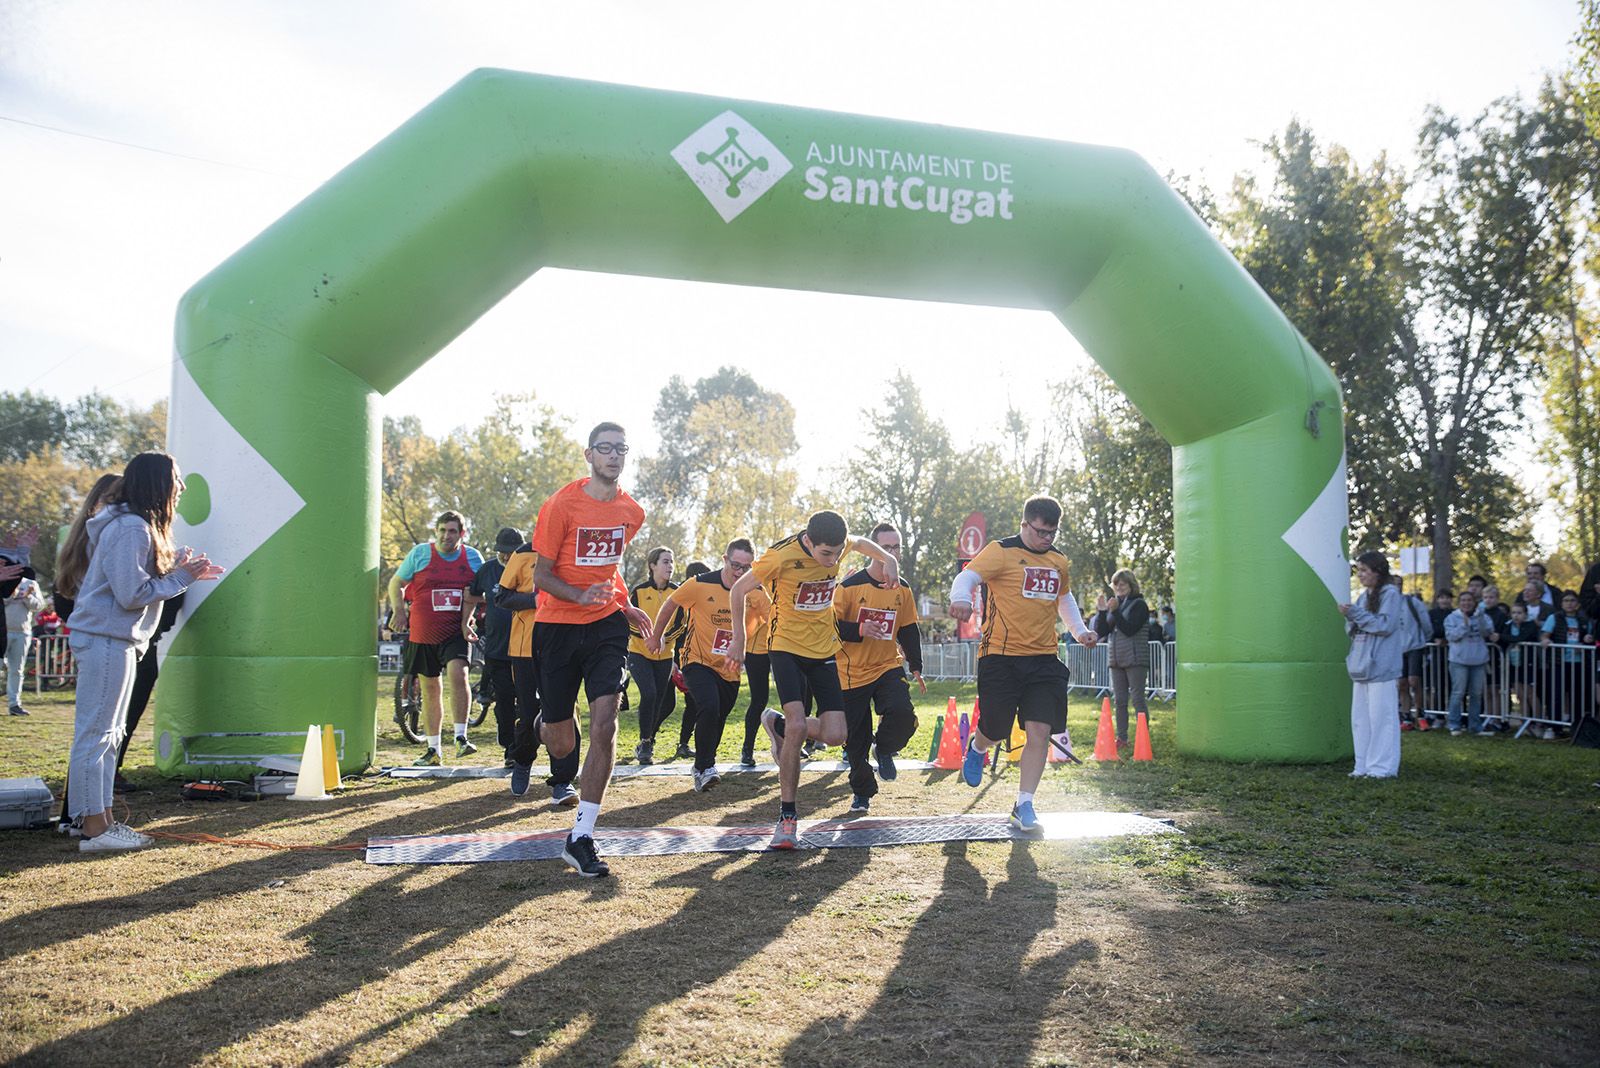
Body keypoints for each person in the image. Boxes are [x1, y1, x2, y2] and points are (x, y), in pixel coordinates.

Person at [65, 453, 223, 851]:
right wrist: (183, 578)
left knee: (109, 735)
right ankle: (92, 829)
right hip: (105, 638)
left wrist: (176, 572)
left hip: (115, 638)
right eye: (177, 479)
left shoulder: (132, 526)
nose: (182, 487)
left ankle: (101, 821)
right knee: (97, 735)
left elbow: (131, 586)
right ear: (159, 484)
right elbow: (131, 593)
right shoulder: (131, 528)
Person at [725, 510, 900, 849]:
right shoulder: (780, 557)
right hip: (786, 647)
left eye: (836, 554)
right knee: (798, 727)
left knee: (837, 735)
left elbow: (862, 543)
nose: (832, 561)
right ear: (808, 541)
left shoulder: (839, 545)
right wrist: (739, 640)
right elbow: (738, 591)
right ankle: (787, 818)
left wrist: (888, 557)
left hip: (823, 650)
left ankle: (776, 724)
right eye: (825, 554)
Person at [531, 422, 654, 878]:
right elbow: (540, 577)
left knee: (606, 723)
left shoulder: (631, 511)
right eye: (605, 449)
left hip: (604, 627)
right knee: (562, 741)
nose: (614, 456)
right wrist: (576, 596)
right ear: (589, 455)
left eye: (621, 448)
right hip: (557, 627)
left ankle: (581, 835)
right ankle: (548, 721)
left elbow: (610, 567)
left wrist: (622, 605)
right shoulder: (562, 505)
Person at [948, 495, 1097, 833]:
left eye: (1052, 533)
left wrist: (1080, 630)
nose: (1046, 539)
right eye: (1040, 532)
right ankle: (978, 746)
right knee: (998, 728)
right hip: (1000, 656)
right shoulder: (1002, 551)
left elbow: (1064, 597)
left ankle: (1024, 804)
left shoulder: (1059, 561)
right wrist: (960, 600)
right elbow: (968, 578)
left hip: (1044, 658)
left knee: (1040, 731)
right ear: (1025, 524)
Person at [647, 538, 770, 792]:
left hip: (730, 667)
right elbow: (671, 604)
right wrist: (657, 634)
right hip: (697, 660)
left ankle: (704, 764)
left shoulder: (756, 591)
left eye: (746, 568)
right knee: (709, 706)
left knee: (720, 715)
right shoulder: (700, 584)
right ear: (725, 559)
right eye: (735, 565)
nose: (740, 572)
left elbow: (774, 618)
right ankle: (705, 766)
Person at [832, 522, 925, 814]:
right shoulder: (848, 587)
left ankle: (884, 747)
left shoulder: (903, 589)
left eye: (896, 547)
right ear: (873, 550)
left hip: (887, 665)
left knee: (902, 713)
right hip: (851, 671)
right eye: (886, 548)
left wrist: (917, 666)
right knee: (855, 742)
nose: (892, 553)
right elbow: (829, 627)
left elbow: (908, 629)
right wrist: (860, 628)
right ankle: (862, 793)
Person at [387, 511, 484, 765]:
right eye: (442, 530)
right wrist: (399, 610)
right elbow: (396, 582)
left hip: (456, 631)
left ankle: (461, 737)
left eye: (452, 531)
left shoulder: (472, 558)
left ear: (462, 534)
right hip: (423, 632)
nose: (446, 536)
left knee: (459, 675)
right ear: (436, 532)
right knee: (430, 689)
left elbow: (485, 592)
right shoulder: (420, 554)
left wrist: (471, 611)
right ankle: (433, 750)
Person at [493, 532, 580, 806]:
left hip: (562, 647)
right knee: (529, 713)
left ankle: (562, 781)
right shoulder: (521, 554)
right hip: (524, 649)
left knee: (564, 714)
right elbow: (502, 598)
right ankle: (523, 759)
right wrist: (536, 601)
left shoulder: (572, 556)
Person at [1339, 552, 1405, 778]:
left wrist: (1355, 614)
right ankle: (1363, 765)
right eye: (1359, 570)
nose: (1361, 575)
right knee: (1360, 719)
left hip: (1382, 667)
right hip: (1361, 666)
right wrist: (1352, 617)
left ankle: (1383, 768)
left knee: (1382, 718)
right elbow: (1355, 628)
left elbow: (1384, 625)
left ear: (1378, 572)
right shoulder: (1363, 597)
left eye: (1365, 570)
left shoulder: (1390, 594)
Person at [464, 527, 525, 767]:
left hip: (527, 647)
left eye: (512, 553)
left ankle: (524, 745)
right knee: (505, 700)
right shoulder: (488, 570)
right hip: (498, 649)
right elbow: (471, 595)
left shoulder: (532, 567)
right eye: (503, 552)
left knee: (528, 701)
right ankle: (510, 749)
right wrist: (466, 622)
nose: (507, 557)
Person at [114, 590, 184, 791]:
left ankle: (110, 768)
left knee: (126, 714)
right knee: (116, 716)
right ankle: (106, 771)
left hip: (143, 642)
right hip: (126, 641)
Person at [626, 546, 680, 766]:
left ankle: (647, 739)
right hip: (639, 652)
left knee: (660, 700)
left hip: (666, 655)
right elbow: (629, 620)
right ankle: (646, 742)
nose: (670, 566)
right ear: (652, 566)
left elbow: (681, 625)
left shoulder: (678, 592)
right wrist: (650, 637)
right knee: (649, 694)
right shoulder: (638, 592)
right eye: (665, 561)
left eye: (672, 561)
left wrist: (662, 638)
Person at [1092, 568, 1151, 749]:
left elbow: (1130, 628)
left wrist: (1115, 612)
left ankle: (1144, 738)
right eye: (1116, 584)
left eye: (1122, 584)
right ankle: (1122, 738)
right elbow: (1102, 632)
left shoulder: (1139, 604)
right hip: (1116, 660)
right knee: (1120, 700)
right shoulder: (1116, 605)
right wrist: (1103, 612)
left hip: (1135, 658)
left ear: (1131, 584)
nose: (1119, 587)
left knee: (1138, 699)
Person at [1540, 590, 1595, 736]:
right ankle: (1553, 727)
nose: (1569, 604)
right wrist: (1545, 640)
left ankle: (1575, 726)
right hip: (1559, 662)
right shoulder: (1555, 618)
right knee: (1556, 695)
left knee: (1577, 695)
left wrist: (1586, 641)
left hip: (1578, 663)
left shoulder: (1584, 620)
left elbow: (1588, 638)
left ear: (1577, 604)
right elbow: (1545, 635)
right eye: (1566, 601)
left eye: (1572, 601)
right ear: (1561, 603)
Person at [1443, 589, 1496, 737]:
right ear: (1459, 603)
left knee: (1476, 694)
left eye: (1469, 601)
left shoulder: (1483, 616)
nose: (1466, 603)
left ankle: (1475, 725)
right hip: (1459, 660)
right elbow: (1451, 636)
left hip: (1478, 660)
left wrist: (1479, 621)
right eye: (1463, 601)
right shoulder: (1452, 618)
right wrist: (1464, 625)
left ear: (1475, 603)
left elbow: (1488, 633)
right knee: (1458, 692)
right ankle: (1454, 724)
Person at [5, 569, 45, 716]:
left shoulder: (31, 583)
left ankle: (14, 704)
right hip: (3, 631)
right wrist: (12, 594)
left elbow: (39, 605)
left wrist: (28, 597)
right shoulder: (3, 579)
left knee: (17, 670)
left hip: (22, 632)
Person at [1499, 600, 1543, 727]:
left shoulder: (1530, 625)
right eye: (1513, 613)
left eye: (1519, 613)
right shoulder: (1508, 626)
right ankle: (1524, 722)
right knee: (1519, 694)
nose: (1516, 616)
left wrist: (1502, 636)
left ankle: (1538, 721)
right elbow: (1504, 640)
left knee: (1530, 693)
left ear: (1525, 614)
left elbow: (1520, 638)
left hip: (1528, 664)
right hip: (1513, 664)